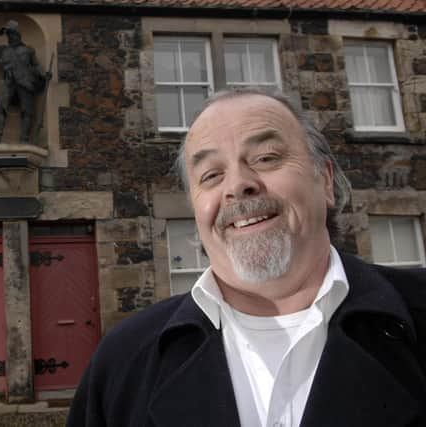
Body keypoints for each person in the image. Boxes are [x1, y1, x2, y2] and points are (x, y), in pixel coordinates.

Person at [67, 88, 426, 427]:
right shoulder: (123, 360)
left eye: (266, 158)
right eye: (211, 175)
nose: (238, 185)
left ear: (326, 181)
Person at [0, 20, 50, 146]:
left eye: (11, 34)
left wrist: (44, 75)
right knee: (1, 107)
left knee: (27, 111)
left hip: (25, 82)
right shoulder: (3, 50)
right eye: (8, 35)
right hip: (9, 81)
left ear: (17, 35)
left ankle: (24, 139)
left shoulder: (28, 50)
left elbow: (36, 65)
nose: (9, 37)